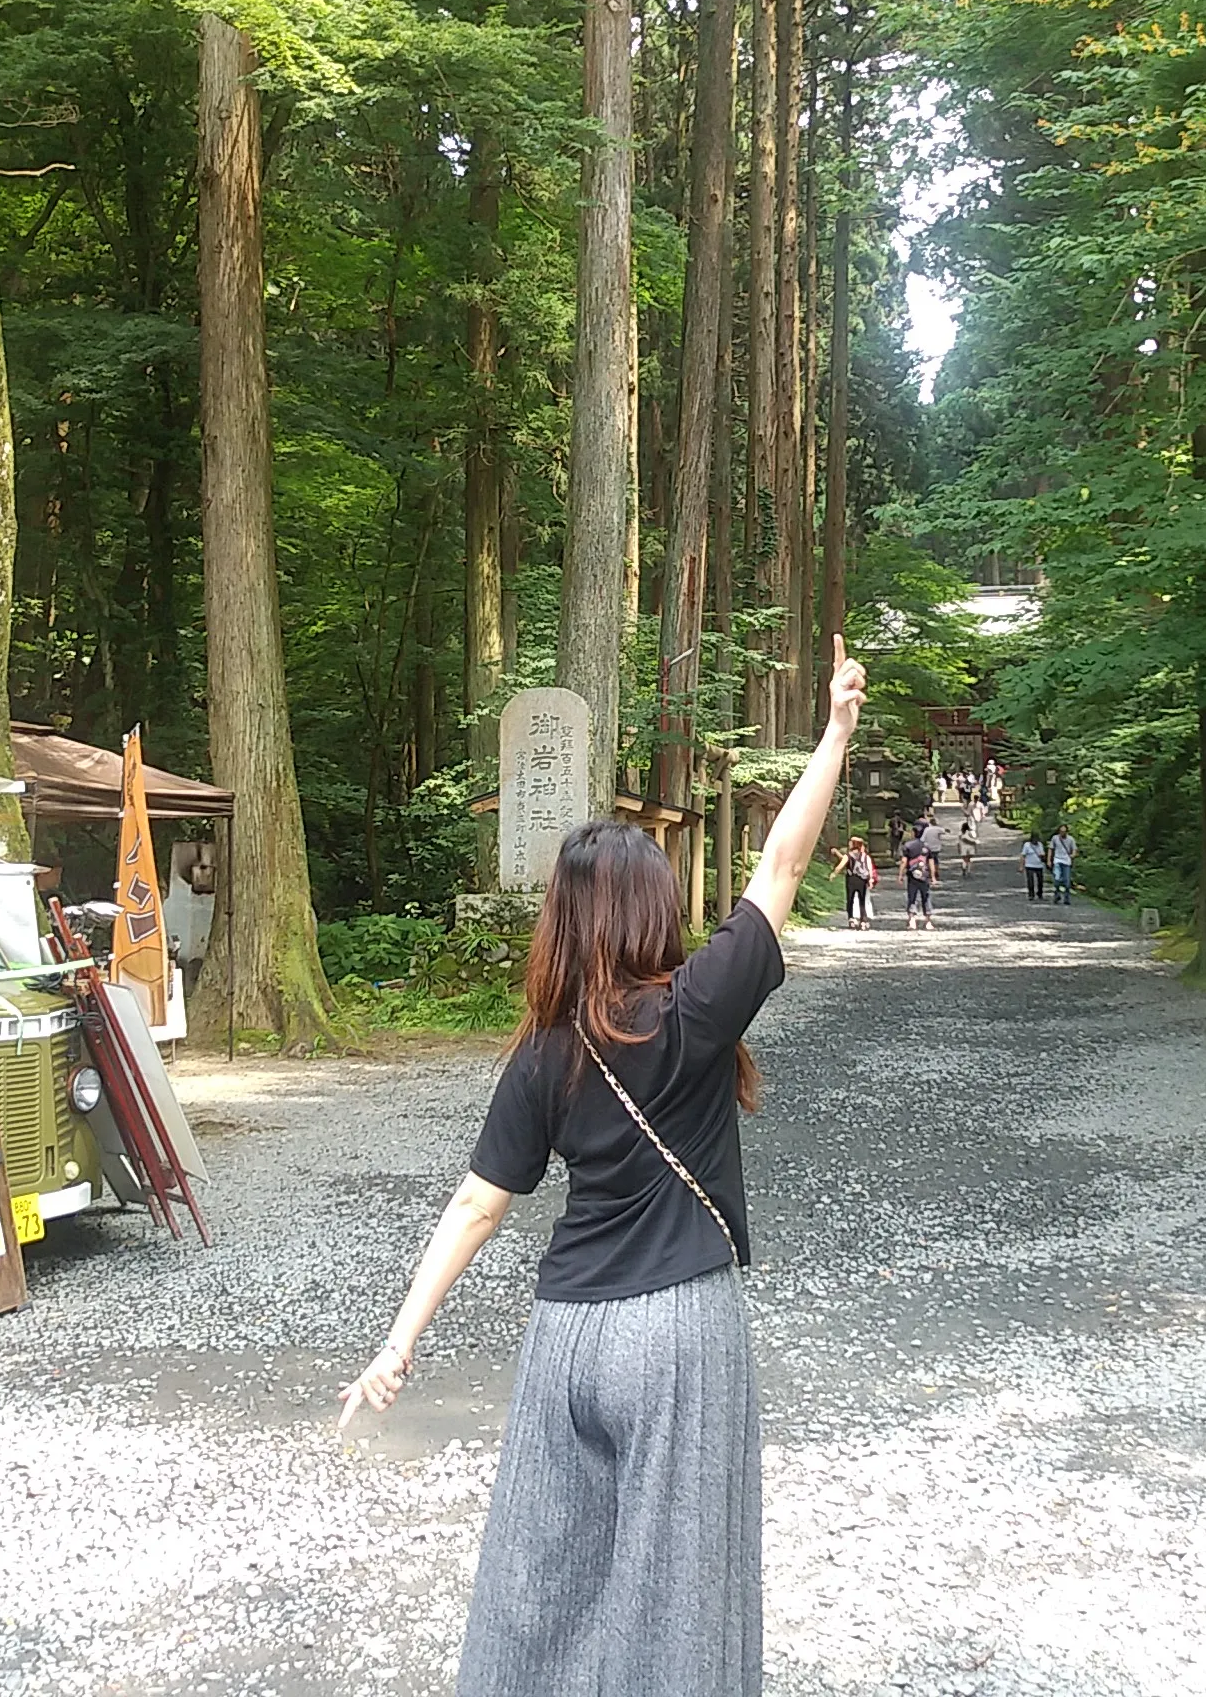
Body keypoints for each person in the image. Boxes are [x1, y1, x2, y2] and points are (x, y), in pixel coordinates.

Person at [338, 636, 869, 1697]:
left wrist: (398, 1344)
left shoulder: (543, 1048)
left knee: (543, 1570)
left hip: (565, 1334)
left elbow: (478, 1205)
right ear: (652, 910)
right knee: (676, 1585)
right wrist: (835, 733)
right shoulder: (694, 1011)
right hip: (675, 1331)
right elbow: (782, 868)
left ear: (563, 919)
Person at [831, 835, 876, 929]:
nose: (849, 844)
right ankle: (863, 921)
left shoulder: (849, 855)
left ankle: (851, 919)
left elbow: (841, 865)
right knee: (862, 900)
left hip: (851, 879)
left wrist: (834, 874)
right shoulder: (865, 856)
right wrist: (871, 879)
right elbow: (869, 868)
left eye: (850, 842)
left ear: (854, 844)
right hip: (862, 880)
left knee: (850, 900)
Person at [900, 819, 935, 930]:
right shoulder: (926, 846)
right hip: (924, 875)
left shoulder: (908, 845)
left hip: (912, 875)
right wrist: (933, 876)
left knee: (912, 897)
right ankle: (928, 921)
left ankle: (912, 920)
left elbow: (904, 861)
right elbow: (931, 862)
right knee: (926, 897)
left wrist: (900, 874)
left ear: (914, 833)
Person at [1049, 824, 1077, 904]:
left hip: (1067, 862)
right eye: (1061, 831)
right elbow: (1051, 849)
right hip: (1057, 860)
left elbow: (1074, 849)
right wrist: (1049, 860)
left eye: (1064, 832)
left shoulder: (1071, 839)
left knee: (1067, 882)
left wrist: (1073, 855)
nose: (1062, 833)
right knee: (1057, 880)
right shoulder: (1055, 838)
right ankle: (1057, 894)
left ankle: (1066, 898)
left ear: (1067, 832)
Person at [920, 808, 945, 883]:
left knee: (928, 861)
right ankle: (936, 871)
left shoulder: (927, 829)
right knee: (936, 860)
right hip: (936, 847)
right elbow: (944, 831)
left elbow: (922, 839)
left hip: (928, 847)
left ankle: (930, 873)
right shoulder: (938, 829)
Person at [1021, 830, 1046, 902]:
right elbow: (1023, 855)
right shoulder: (1027, 845)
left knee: (1040, 881)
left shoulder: (1040, 845)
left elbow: (1043, 854)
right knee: (1030, 881)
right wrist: (1021, 866)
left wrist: (1043, 856)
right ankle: (1031, 894)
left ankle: (1040, 893)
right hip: (1029, 865)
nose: (1036, 840)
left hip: (1039, 865)